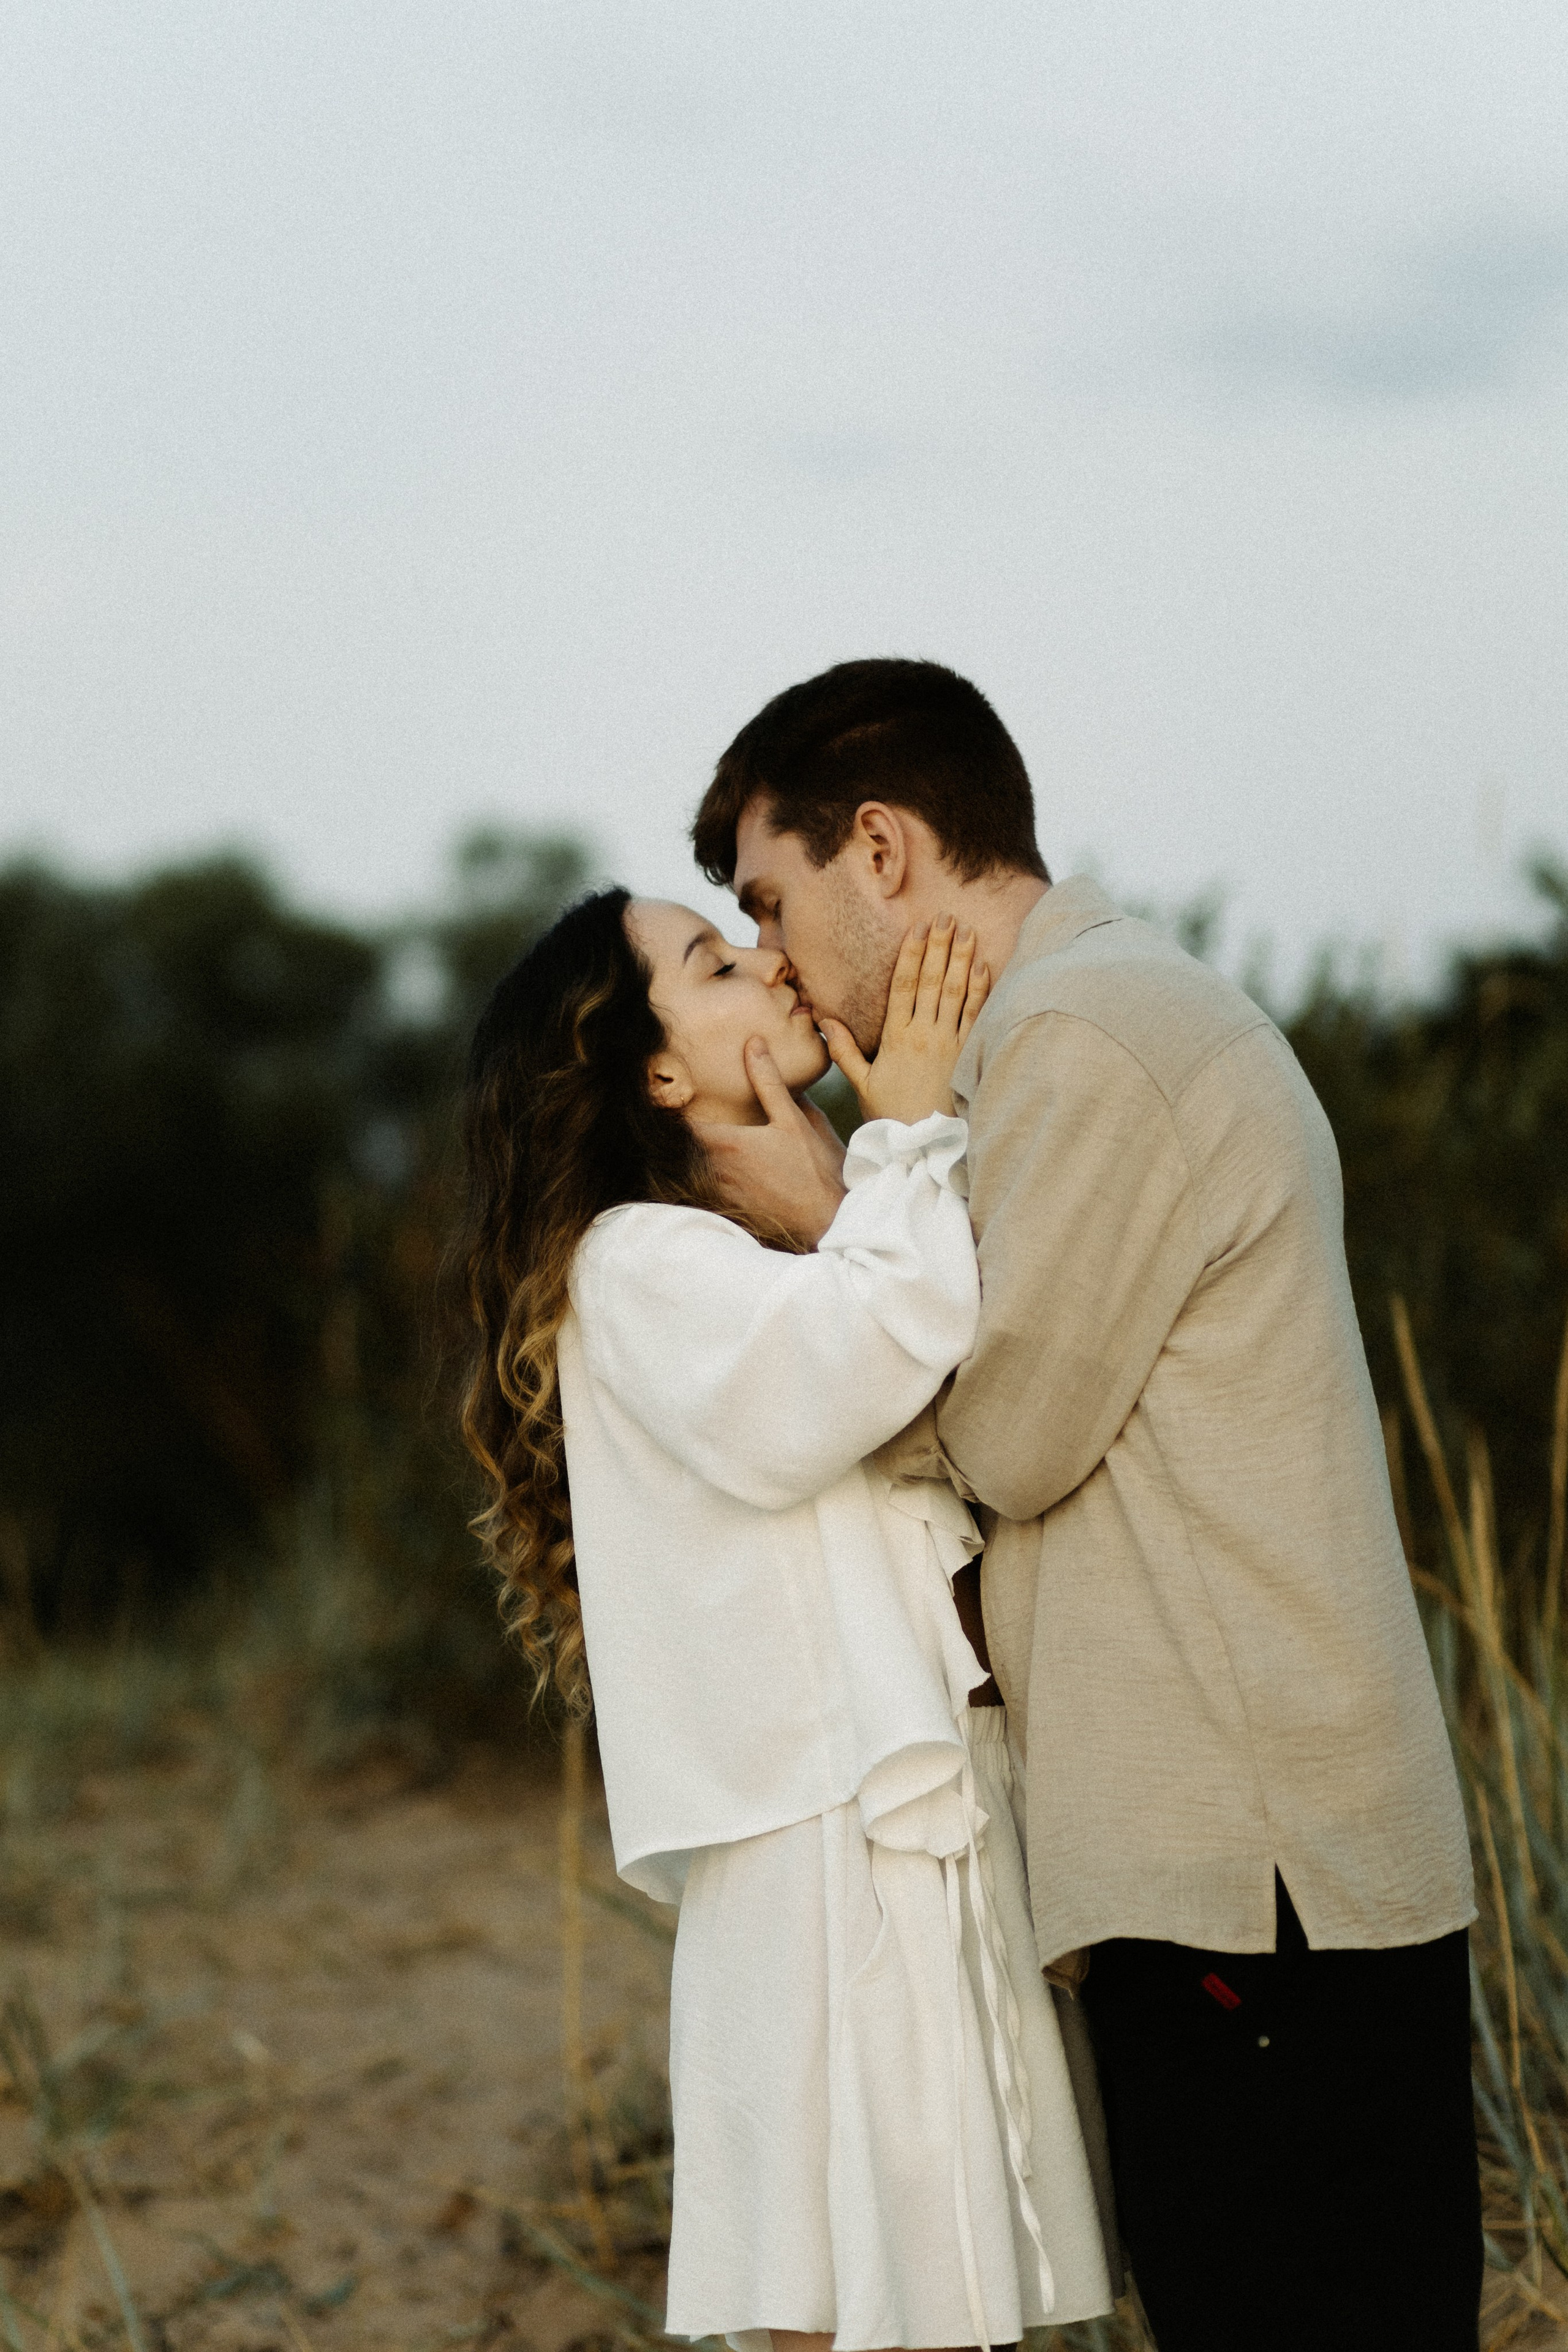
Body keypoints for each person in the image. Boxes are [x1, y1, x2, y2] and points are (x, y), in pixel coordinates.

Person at [690, 656, 1482, 2352]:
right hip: (1249, 1869)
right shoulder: (1051, 1045)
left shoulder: (1089, 1038)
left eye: (772, 900)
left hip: (1258, 1874)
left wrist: (837, 1197)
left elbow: (1002, 1438)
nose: (768, 961)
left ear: (884, 851)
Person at [456, 884, 1115, 2352]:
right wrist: (910, 1121)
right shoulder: (634, 1264)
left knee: (912, 2275)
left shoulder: (748, 1244)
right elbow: (857, 1358)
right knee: (847, 2288)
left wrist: (848, 1172)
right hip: (820, 1842)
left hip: (882, 1823)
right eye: (711, 959)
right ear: (658, 1073)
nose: (764, 960)